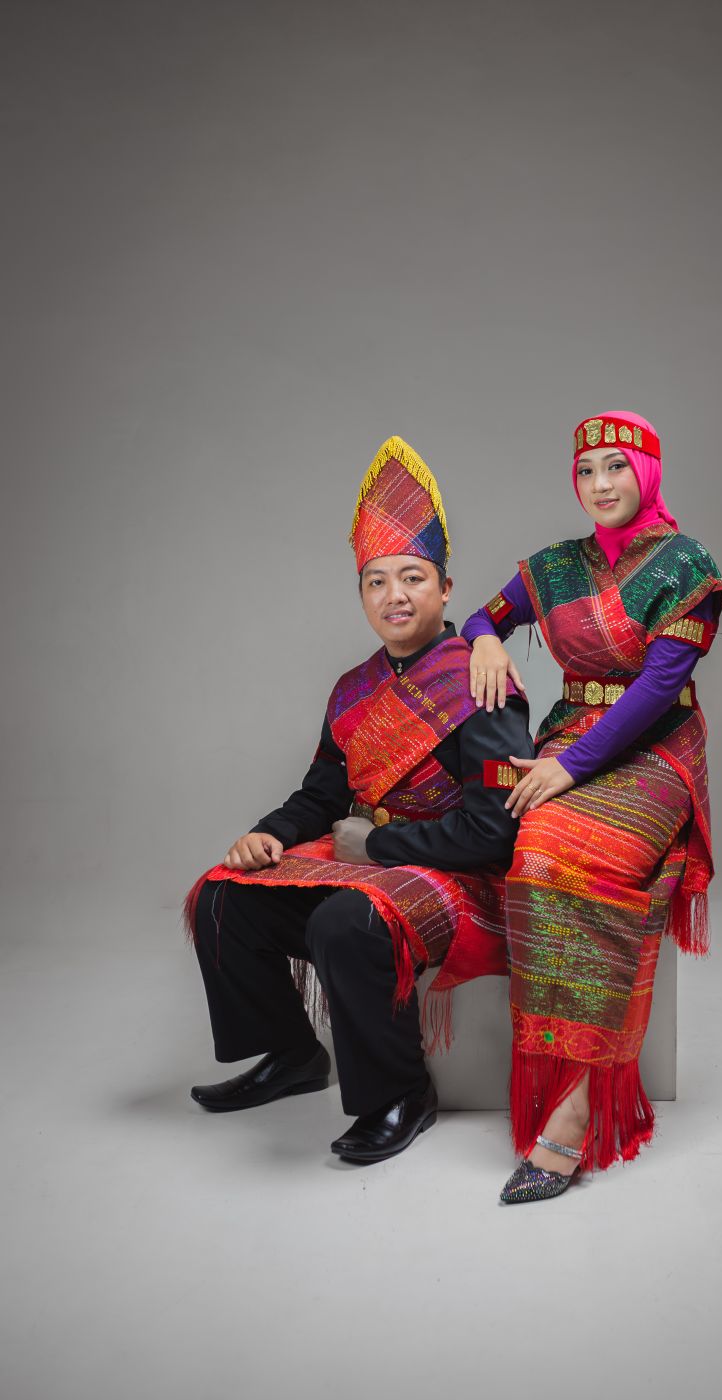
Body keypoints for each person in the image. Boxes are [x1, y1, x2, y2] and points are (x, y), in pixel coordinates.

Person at [184, 436, 532, 1165]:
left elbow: (493, 833)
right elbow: (322, 792)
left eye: (413, 577)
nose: (394, 595)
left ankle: (401, 1093)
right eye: (377, 581)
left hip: (456, 875)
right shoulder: (352, 689)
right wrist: (268, 835)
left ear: (445, 588)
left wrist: (375, 847)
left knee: (347, 921)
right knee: (223, 896)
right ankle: (292, 1054)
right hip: (365, 862)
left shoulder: (481, 682)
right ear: (362, 595)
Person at [462, 411, 722, 1204]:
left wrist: (568, 768)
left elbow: (657, 686)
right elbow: (481, 615)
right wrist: (485, 640)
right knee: (535, 856)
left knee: (583, 862)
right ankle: (562, 1073)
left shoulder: (685, 564)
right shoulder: (555, 566)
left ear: (646, 473)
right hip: (569, 736)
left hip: (654, 751)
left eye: (616, 467)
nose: (600, 484)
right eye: (585, 470)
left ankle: (575, 1107)